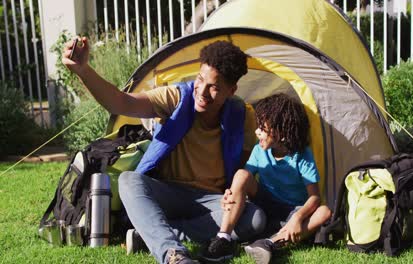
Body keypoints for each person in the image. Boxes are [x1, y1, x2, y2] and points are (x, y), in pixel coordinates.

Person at [62, 38, 266, 264]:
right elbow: (121, 103)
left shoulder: (242, 115)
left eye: (214, 87)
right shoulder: (177, 98)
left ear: (231, 90)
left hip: (212, 201)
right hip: (169, 194)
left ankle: (150, 233)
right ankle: (174, 254)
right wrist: (83, 70)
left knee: (255, 218)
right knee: (130, 181)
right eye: (200, 80)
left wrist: (234, 193)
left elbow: (244, 168)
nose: (202, 92)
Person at [201, 93, 331, 263]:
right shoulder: (259, 150)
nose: (257, 132)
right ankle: (223, 237)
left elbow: (315, 197)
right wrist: (230, 194)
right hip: (265, 202)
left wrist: (297, 218)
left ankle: (270, 243)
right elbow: (244, 179)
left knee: (324, 212)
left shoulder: (302, 156)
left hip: (292, 210)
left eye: (262, 129)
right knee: (241, 174)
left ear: (282, 133)